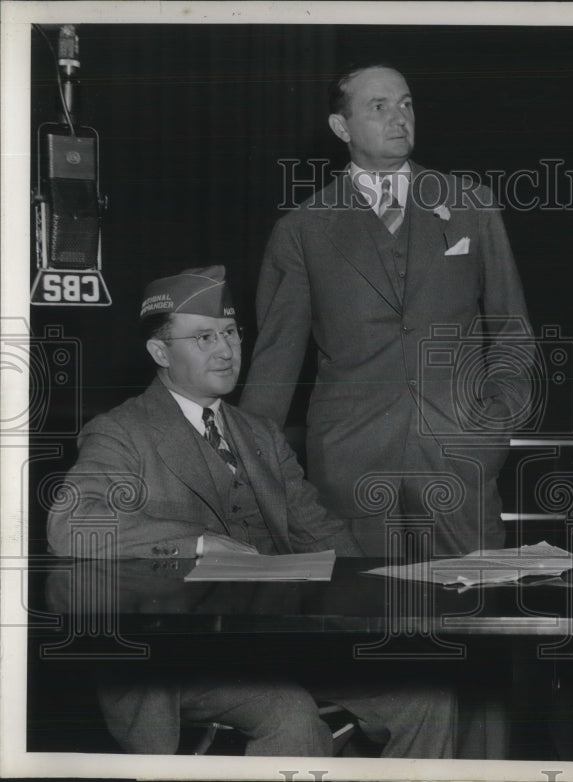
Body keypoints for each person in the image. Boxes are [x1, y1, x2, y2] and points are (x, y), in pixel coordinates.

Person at [46, 265, 456, 757]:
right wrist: (196, 544)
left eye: (230, 333)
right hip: (178, 659)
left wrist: (378, 595)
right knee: (292, 717)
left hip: (279, 641)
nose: (226, 350)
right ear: (159, 352)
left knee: (428, 698)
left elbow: (319, 531)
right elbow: (71, 524)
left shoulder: (260, 433)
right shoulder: (121, 432)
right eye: (203, 338)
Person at [240, 64, 534, 558]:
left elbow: (512, 329)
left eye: (406, 104)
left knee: (473, 616)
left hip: (459, 465)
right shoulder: (303, 230)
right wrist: (251, 475)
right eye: (379, 107)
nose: (399, 118)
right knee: (353, 622)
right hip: (350, 472)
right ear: (341, 127)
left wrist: (494, 422)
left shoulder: (471, 206)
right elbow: (274, 368)